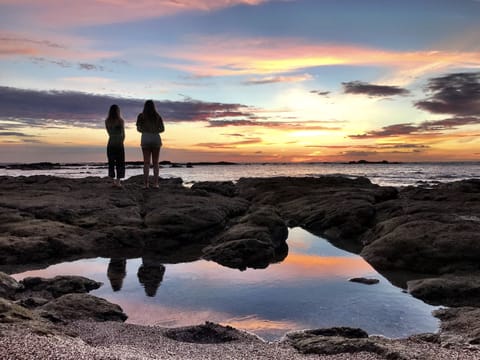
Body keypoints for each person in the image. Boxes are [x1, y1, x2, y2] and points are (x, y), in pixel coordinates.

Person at [136, 100, 165, 188]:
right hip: (155, 138)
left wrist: (145, 131)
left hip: (145, 138)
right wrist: (154, 131)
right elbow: (162, 129)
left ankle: (146, 184)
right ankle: (156, 184)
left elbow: (138, 128)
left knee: (146, 162)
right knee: (156, 162)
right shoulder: (157, 116)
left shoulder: (141, 116)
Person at [105, 104, 125, 187]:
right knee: (120, 162)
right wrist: (121, 141)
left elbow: (109, 133)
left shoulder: (107, 121)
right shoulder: (120, 121)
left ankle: (113, 181)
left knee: (111, 163)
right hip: (119, 143)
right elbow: (123, 134)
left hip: (111, 142)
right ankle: (118, 182)